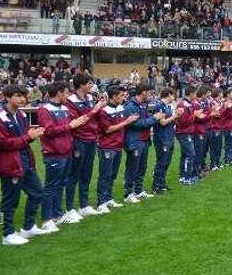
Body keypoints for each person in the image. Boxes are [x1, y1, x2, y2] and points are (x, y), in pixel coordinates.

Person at [0, 85, 47, 246]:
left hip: (26, 162)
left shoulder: (21, 114)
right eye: (18, 95)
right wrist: (29, 137)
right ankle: (7, 234)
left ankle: (28, 227)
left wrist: (31, 135)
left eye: (24, 96)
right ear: (7, 97)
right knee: (10, 200)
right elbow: (2, 143)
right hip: (9, 164)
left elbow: (26, 135)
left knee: (37, 193)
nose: (22, 99)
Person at [38, 81, 90, 227]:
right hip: (54, 153)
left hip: (66, 152)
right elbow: (48, 131)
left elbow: (68, 129)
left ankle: (58, 215)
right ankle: (47, 219)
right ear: (59, 93)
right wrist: (70, 126)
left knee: (60, 184)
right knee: (51, 186)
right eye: (66, 92)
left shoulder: (64, 108)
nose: (68, 95)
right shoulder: (44, 109)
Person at [65, 73, 106, 219]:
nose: (92, 86)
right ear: (81, 84)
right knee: (74, 174)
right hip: (78, 140)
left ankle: (84, 205)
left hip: (91, 139)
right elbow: (77, 121)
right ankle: (69, 209)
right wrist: (95, 109)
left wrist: (100, 107)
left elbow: (93, 117)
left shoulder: (89, 98)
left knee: (87, 173)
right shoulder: (70, 101)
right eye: (89, 83)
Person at [95, 85, 138, 213]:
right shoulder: (104, 111)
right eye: (121, 95)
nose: (123, 97)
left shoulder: (120, 108)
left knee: (112, 175)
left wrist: (130, 120)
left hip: (118, 146)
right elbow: (108, 129)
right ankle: (101, 202)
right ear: (113, 97)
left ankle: (108, 198)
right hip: (107, 146)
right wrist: (126, 122)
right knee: (105, 174)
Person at [122, 85, 163, 203]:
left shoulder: (144, 105)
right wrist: (154, 119)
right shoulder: (130, 106)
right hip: (135, 140)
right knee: (132, 167)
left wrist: (153, 118)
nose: (151, 95)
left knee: (142, 167)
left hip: (144, 140)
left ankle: (138, 190)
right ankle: (128, 193)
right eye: (149, 92)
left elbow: (145, 120)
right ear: (143, 92)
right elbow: (136, 124)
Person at [152, 88, 180, 194]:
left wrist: (177, 117)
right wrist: (174, 116)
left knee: (166, 162)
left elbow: (171, 121)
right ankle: (156, 186)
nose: (174, 97)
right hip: (161, 138)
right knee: (161, 162)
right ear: (169, 94)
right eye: (173, 95)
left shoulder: (167, 106)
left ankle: (162, 183)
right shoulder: (159, 106)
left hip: (169, 136)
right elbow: (162, 122)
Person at [174, 88, 199, 185]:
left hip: (187, 132)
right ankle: (186, 177)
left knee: (185, 155)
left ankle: (182, 176)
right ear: (191, 93)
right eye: (195, 94)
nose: (196, 96)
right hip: (183, 132)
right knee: (190, 154)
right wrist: (194, 116)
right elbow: (183, 122)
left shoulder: (189, 104)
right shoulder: (183, 104)